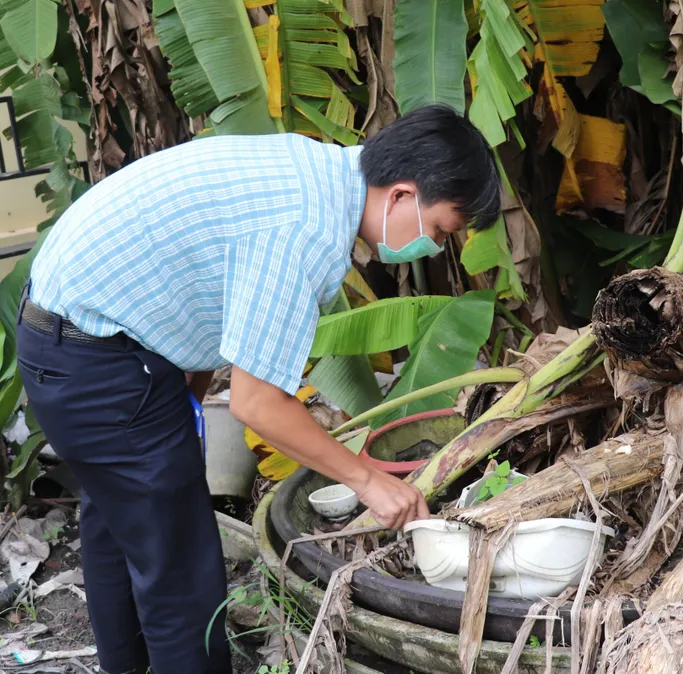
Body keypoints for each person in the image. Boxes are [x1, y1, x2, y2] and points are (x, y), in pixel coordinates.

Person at [15, 104, 501, 674]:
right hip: (96, 355)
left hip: (74, 335)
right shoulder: (306, 229)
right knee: (181, 574)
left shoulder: (317, 171)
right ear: (399, 195)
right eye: (441, 228)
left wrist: (182, 401)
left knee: (122, 529)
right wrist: (367, 481)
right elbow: (255, 403)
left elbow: (200, 291)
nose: (436, 246)